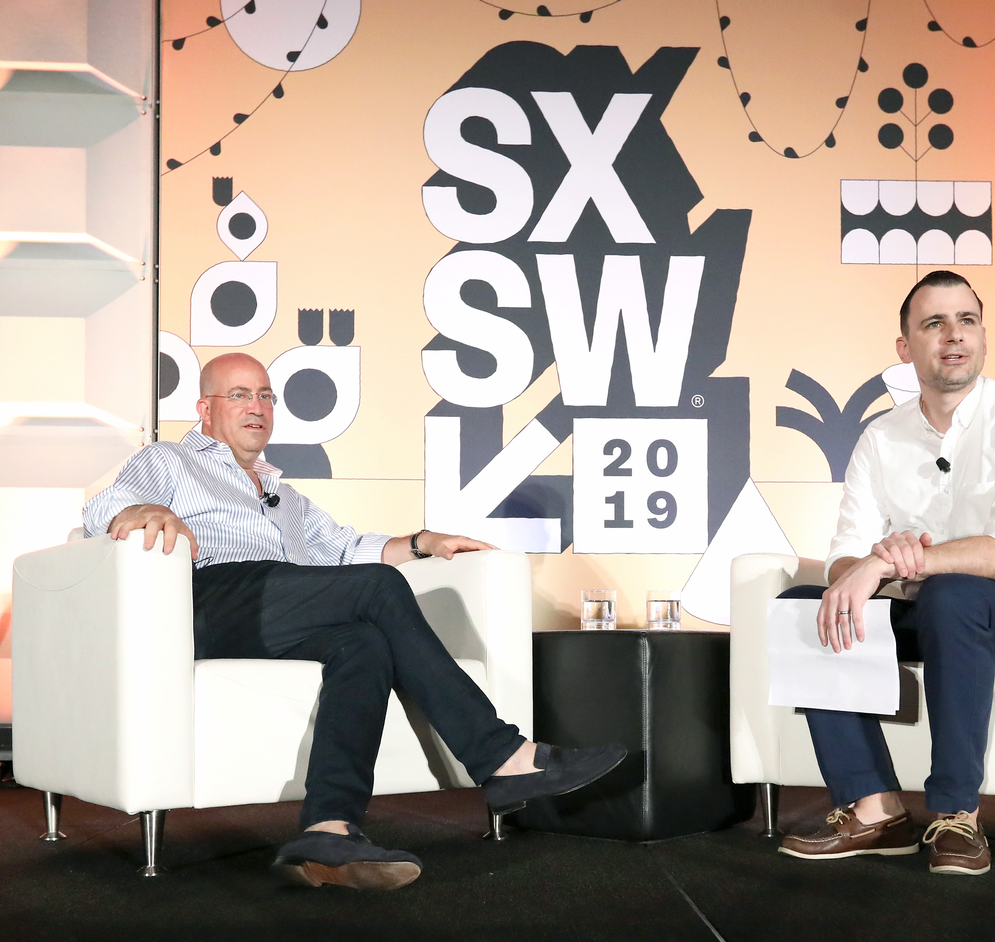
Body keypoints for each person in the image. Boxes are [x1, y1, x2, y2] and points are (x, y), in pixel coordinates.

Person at [83, 352, 625, 891]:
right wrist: (137, 513)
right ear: (205, 407)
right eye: (241, 395)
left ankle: (328, 829)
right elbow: (106, 505)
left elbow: (345, 549)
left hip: (278, 603)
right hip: (213, 596)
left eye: (266, 396)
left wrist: (420, 543)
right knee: (377, 588)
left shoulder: (283, 495)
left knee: (363, 644)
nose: (258, 407)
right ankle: (502, 756)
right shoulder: (173, 460)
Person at [775, 270, 995, 876]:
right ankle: (873, 809)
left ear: (983, 336)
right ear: (905, 347)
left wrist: (888, 561)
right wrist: (863, 568)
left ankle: (956, 815)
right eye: (934, 323)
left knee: (952, 596)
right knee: (806, 603)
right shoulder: (881, 438)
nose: (954, 336)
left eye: (967, 320)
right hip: (929, 607)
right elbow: (844, 556)